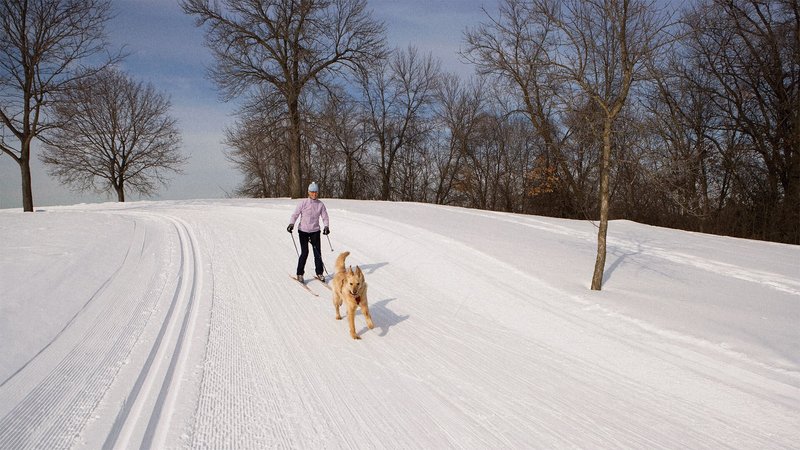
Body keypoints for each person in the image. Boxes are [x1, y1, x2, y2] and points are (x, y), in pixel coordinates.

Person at [287, 181, 330, 283]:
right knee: (305, 252)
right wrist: (291, 224)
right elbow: (295, 214)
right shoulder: (303, 203)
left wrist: (326, 226)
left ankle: (319, 273)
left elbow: (325, 217)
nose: (314, 194)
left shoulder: (320, 204)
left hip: (315, 231)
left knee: (317, 253)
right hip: (303, 231)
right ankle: (300, 273)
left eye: (316, 192)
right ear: (308, 192)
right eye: (312, 192)